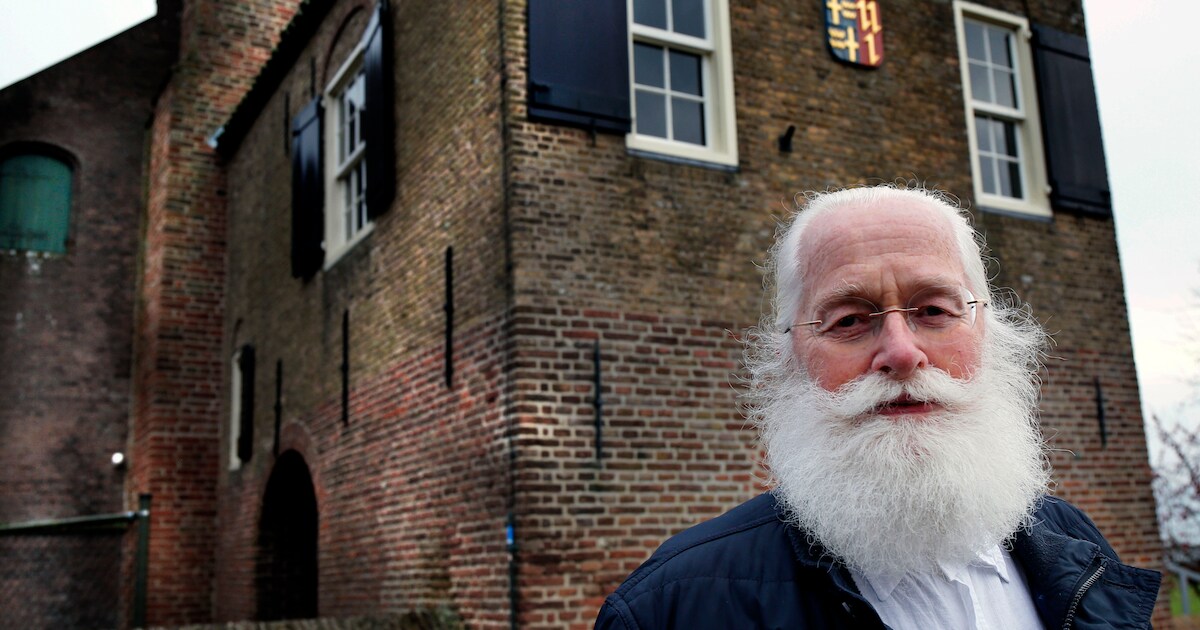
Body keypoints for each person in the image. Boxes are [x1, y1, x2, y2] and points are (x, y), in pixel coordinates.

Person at [594, 185, 1160, 629]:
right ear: (788, 353)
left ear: (988, 331)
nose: (901, 353)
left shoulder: (1074, 543)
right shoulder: (670, 608)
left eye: (934, 311)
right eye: (848, 321)